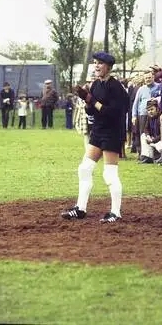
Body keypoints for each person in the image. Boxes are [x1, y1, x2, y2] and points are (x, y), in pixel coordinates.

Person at [61, 51, 129, 223]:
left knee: (109, 174)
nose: (96, 66)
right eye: (95, 63)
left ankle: (115, 212)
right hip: (98, 131)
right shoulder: (96, 85)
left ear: (109, 67)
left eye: (100, 63)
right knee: (84, 169)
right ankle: (80, 208)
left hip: (112, 132)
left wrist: (91, 99)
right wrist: (86, 99)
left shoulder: (116, 87)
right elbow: (91, 110)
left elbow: (111, 112)